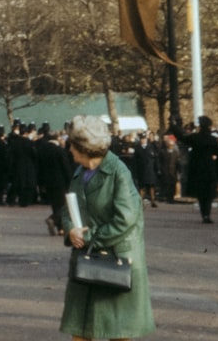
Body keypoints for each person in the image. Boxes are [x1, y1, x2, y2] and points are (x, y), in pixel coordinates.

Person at [60, 115, 154, 340]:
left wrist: (89, 237)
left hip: (116, 259)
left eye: (72, 144)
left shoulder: (119, 172)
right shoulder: (79, 171)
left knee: (118, 331)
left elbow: (126, 219)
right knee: (81, 330)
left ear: (84, 148)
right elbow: (68, 208)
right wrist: (70, 229)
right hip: (88, 258)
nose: (69, 149)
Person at [180, 117, 218, 223]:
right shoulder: (213, 140)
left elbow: (182, 138)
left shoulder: (195, 138)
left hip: (197, 169)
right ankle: (207, 213)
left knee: (201, 194)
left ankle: (204, 214)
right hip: (210, 169)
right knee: (209, 193)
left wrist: (175, 126)